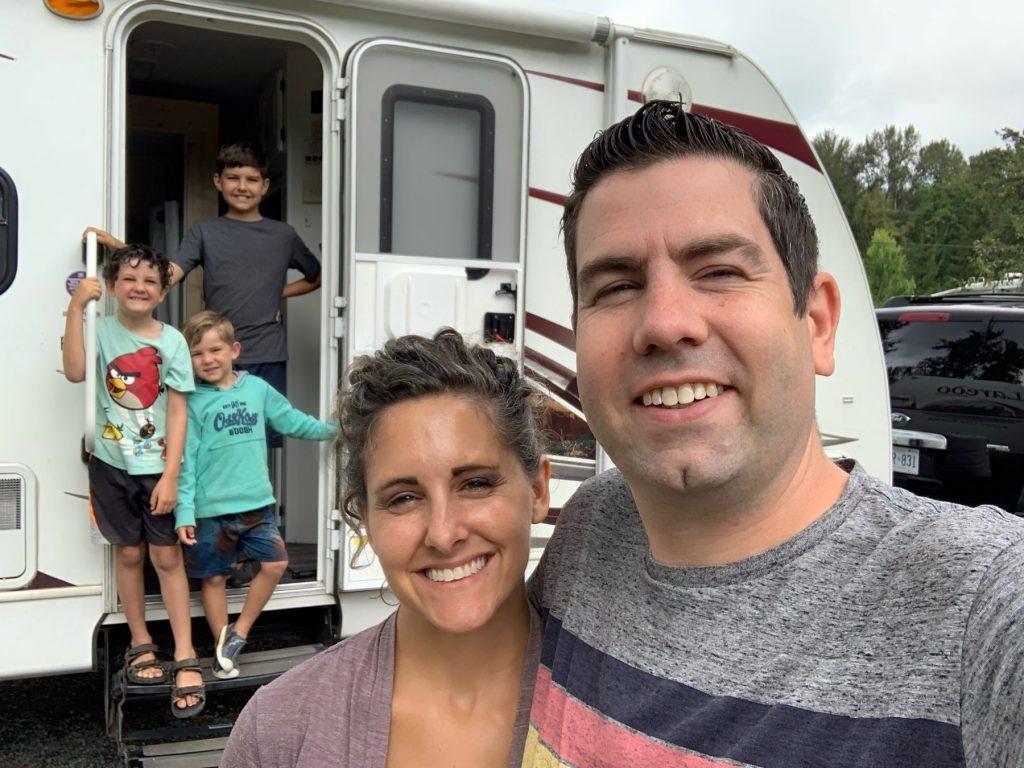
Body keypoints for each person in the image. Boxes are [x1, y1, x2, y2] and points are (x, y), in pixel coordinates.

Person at [524, 101, 1024, 767]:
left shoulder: (983, 609)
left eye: (719, 271)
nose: (666, 322)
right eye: (616, 286)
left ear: (816, 322)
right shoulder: (590, 532)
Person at [220, 329, 550, 767]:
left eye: (475, 484)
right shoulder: (280, 728)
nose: (443, 533)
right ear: (366, 521)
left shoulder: (617, 700)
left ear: (538, 490)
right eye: (404, 498)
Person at [83, 141, 322, 447]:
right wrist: (124, 249)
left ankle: (259, 496)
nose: (242, 187)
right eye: (233, 178)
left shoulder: (283, 235)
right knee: (210, 436)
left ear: (265, 185)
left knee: (261, 440)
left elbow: (316, 277)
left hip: (267, 353)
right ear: (218, 182)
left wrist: (277, 293)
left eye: (251, 180)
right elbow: (168, 272)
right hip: (213, 352)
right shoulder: (205, 231)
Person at [62, 243, 205, 718]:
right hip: (110, 463)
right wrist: (77, 305)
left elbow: (180, 411)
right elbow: (76, 372)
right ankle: (141, 641)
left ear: (164, 291)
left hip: (158, 469)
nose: (139, 287)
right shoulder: (99, 329)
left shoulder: (173, 342)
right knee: (127, 552)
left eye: (150, 281)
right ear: (113, 286)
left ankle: (185, 652)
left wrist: (171, 474)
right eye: (129, 279)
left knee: (166, 556)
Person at [175, 311, 337, 678]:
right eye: (198, 354)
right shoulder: (191, 401)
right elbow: (185, 460)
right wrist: (184, 511)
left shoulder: (257, 389)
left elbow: (291, 420)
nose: (208, 360)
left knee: (276, 564)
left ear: (234, 350)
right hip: (209, 509)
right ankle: (221, 645)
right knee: (213, 578)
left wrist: (333, 431)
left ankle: (239, 634)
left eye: (215, 350)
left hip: (256, 504)